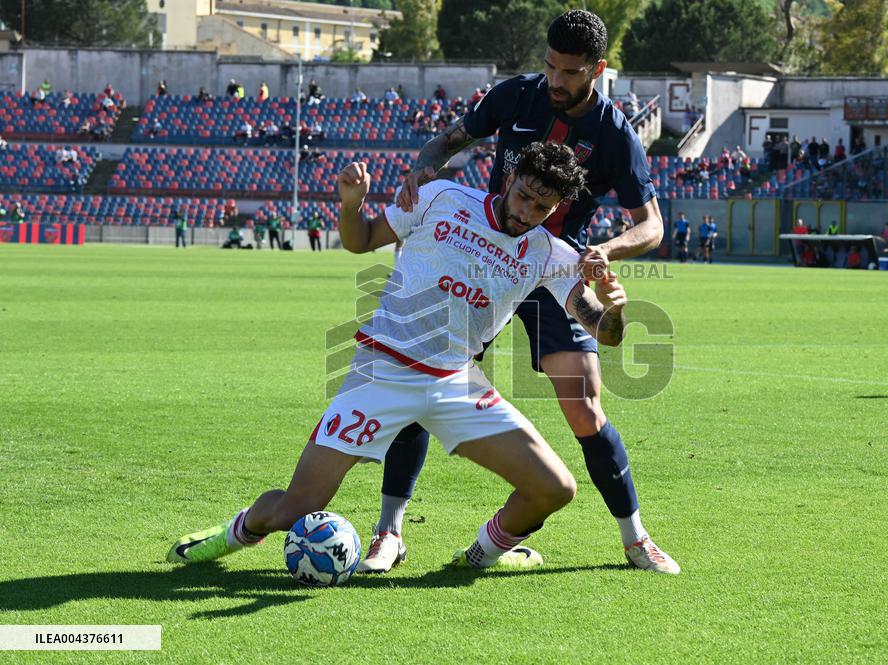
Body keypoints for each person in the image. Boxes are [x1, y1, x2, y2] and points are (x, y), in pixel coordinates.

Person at [166, 142, 630, 572]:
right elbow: (360, 239)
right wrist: (352, 204)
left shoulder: (552, 254)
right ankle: (232, 533)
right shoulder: (442, 198)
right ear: (509, 180)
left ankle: (479, 555)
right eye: (524, 196)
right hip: (381, 373)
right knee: (295, 508)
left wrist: (616, 305)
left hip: (455, 382)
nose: (527, 212)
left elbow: (603, 331)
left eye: (542, 207)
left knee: (554, 489)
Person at [363, 10, 677, 576]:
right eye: (551, 66)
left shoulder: (615, 134)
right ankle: (389, 532)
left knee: (584, 408)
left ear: (598, 70)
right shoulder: (517, 96)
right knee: (421, 376)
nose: (557, 80)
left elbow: (651, 225)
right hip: (485, 259)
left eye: (571, 72)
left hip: (556, 269)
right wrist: (420, 171)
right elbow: (449, 141)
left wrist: (607, 251)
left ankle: (635, 540)